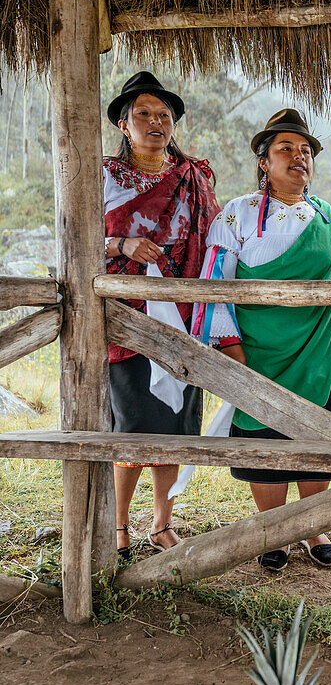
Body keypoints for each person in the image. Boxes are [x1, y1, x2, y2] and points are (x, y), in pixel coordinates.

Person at [193, 109, 331, 572]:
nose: (300, 157)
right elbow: (215, 280)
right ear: (264, 162)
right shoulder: (236, 215)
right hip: (256, 352)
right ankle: (274, 528)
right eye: (286, 149)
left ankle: (313, 526)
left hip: (316, 352)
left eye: (306, 150)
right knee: (264, 439)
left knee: (317, 439)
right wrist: (230, 348)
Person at [103, 71, 221, 559]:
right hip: (129, 318)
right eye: (144, 114)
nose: (156, 122)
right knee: (134, 424)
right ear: (124, 125)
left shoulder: (193, 177)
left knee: (175, 422)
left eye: (164, 116)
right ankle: (119, 525)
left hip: (182, 314)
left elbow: (214, 242)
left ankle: (162, 522)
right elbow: (72, 239)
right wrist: (122, 243)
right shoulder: (101, 177)